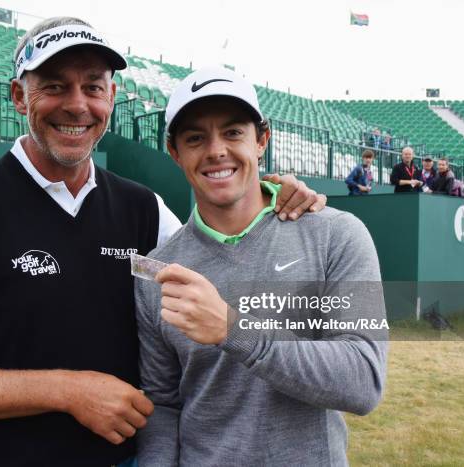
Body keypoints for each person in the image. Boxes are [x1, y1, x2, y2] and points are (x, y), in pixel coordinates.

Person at [0, 17, 326, 467]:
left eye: (94, 87)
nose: (77, 105)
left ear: (112, 97)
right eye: (55, 86)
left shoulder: (144, 209)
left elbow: (223, 275)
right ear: (20, 96)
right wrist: (68, 391)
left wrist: (272, 198)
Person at [135, 66, 388, 466]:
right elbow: (163, 405)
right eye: (196, 138)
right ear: (175, 153)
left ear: (261, 140)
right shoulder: (159, 272)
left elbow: (363, 381)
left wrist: (234, 330)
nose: (216, 150)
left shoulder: (336, 235)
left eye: (233, 132)